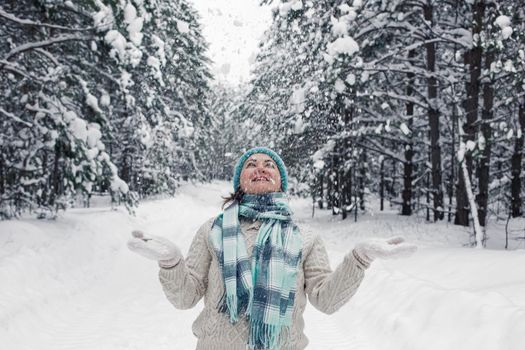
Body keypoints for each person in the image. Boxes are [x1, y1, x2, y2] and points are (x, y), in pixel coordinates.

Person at [128, 147, 417, 350]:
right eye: (251, 164)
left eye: (269, 165)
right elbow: (185, 297)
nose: (260, 168)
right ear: (240, 181)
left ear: (280, 180)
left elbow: (326, 300)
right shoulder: (212, 230)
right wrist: (171, 263)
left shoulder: (305, 236)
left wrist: (360, 258)